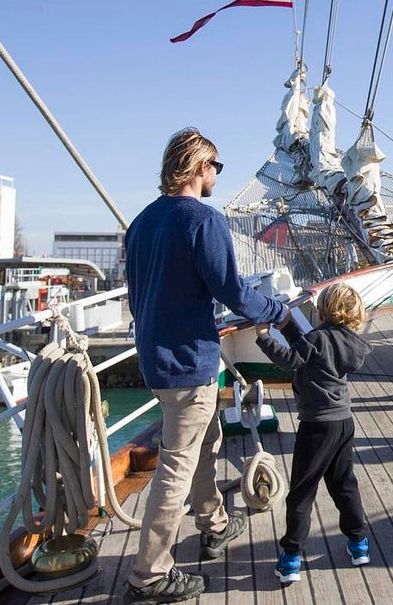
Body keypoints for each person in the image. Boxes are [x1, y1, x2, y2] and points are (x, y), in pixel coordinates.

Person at [125, 127, 291, 604]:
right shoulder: (203, 219)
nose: (219, 175)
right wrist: (276, 311)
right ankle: (150, 574)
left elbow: (139, 295)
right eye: (216, 166)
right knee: (177, 463)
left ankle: (214, 522)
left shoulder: (141, 222)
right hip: (188, 360)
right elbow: (232, 290)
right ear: (199, 166)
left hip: (156, 358)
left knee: (206, 439)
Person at [255, 283, 372, 584]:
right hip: (344, 422)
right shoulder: (350, 343)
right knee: (344, 484)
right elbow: (311, 350)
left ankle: (291, 558)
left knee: (302, 493)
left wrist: (264, 336)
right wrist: (288, 325)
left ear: (321, 313)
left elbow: (293, 358)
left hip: (316, 427)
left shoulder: (317, 338)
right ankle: (359, 543)